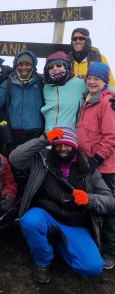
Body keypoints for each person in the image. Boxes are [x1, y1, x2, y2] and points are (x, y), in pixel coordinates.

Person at [9, 126, 114, 284]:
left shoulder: (88, 169)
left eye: (67, 145)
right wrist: (44, 139)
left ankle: (59, 244)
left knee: (93, 267)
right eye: (58, 144)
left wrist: (89, 199)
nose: (63, 148)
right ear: (54, 145)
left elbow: (110, 200)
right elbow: (15, 158)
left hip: (74, 223)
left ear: (74, 146)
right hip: (46, 215)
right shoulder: (43, 159)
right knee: (30, 221)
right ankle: (42, 261)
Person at [77, 62, 115, 269]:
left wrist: (97, 159)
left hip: (105, 167)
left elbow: (111, 136)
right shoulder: (89, 98)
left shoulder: (107, 102)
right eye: (89, 78)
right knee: (94, 206)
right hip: (90, 164)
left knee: (109, 208)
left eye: (97, 79)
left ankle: (110, 251)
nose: (92, 81)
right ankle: (96, 245)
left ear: (104, 81)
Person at [0, 50, 44, 155]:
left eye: (28, 64)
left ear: (33, 65)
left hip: (36, 136)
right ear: (16, 66)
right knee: (13, 167)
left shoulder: (41, 82)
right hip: (13, 136)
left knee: (34, 168)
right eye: (20, 64)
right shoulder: (8, 83)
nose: (24, 68)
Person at [41, 51, 86, 132]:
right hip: (49, 135)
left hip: (68, 137)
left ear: (66, 66)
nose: (55, 68)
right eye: (50, 67)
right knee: (26, 145)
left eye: (58, 65)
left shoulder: (79, 83)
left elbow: (102, 87)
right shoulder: (46, 87)